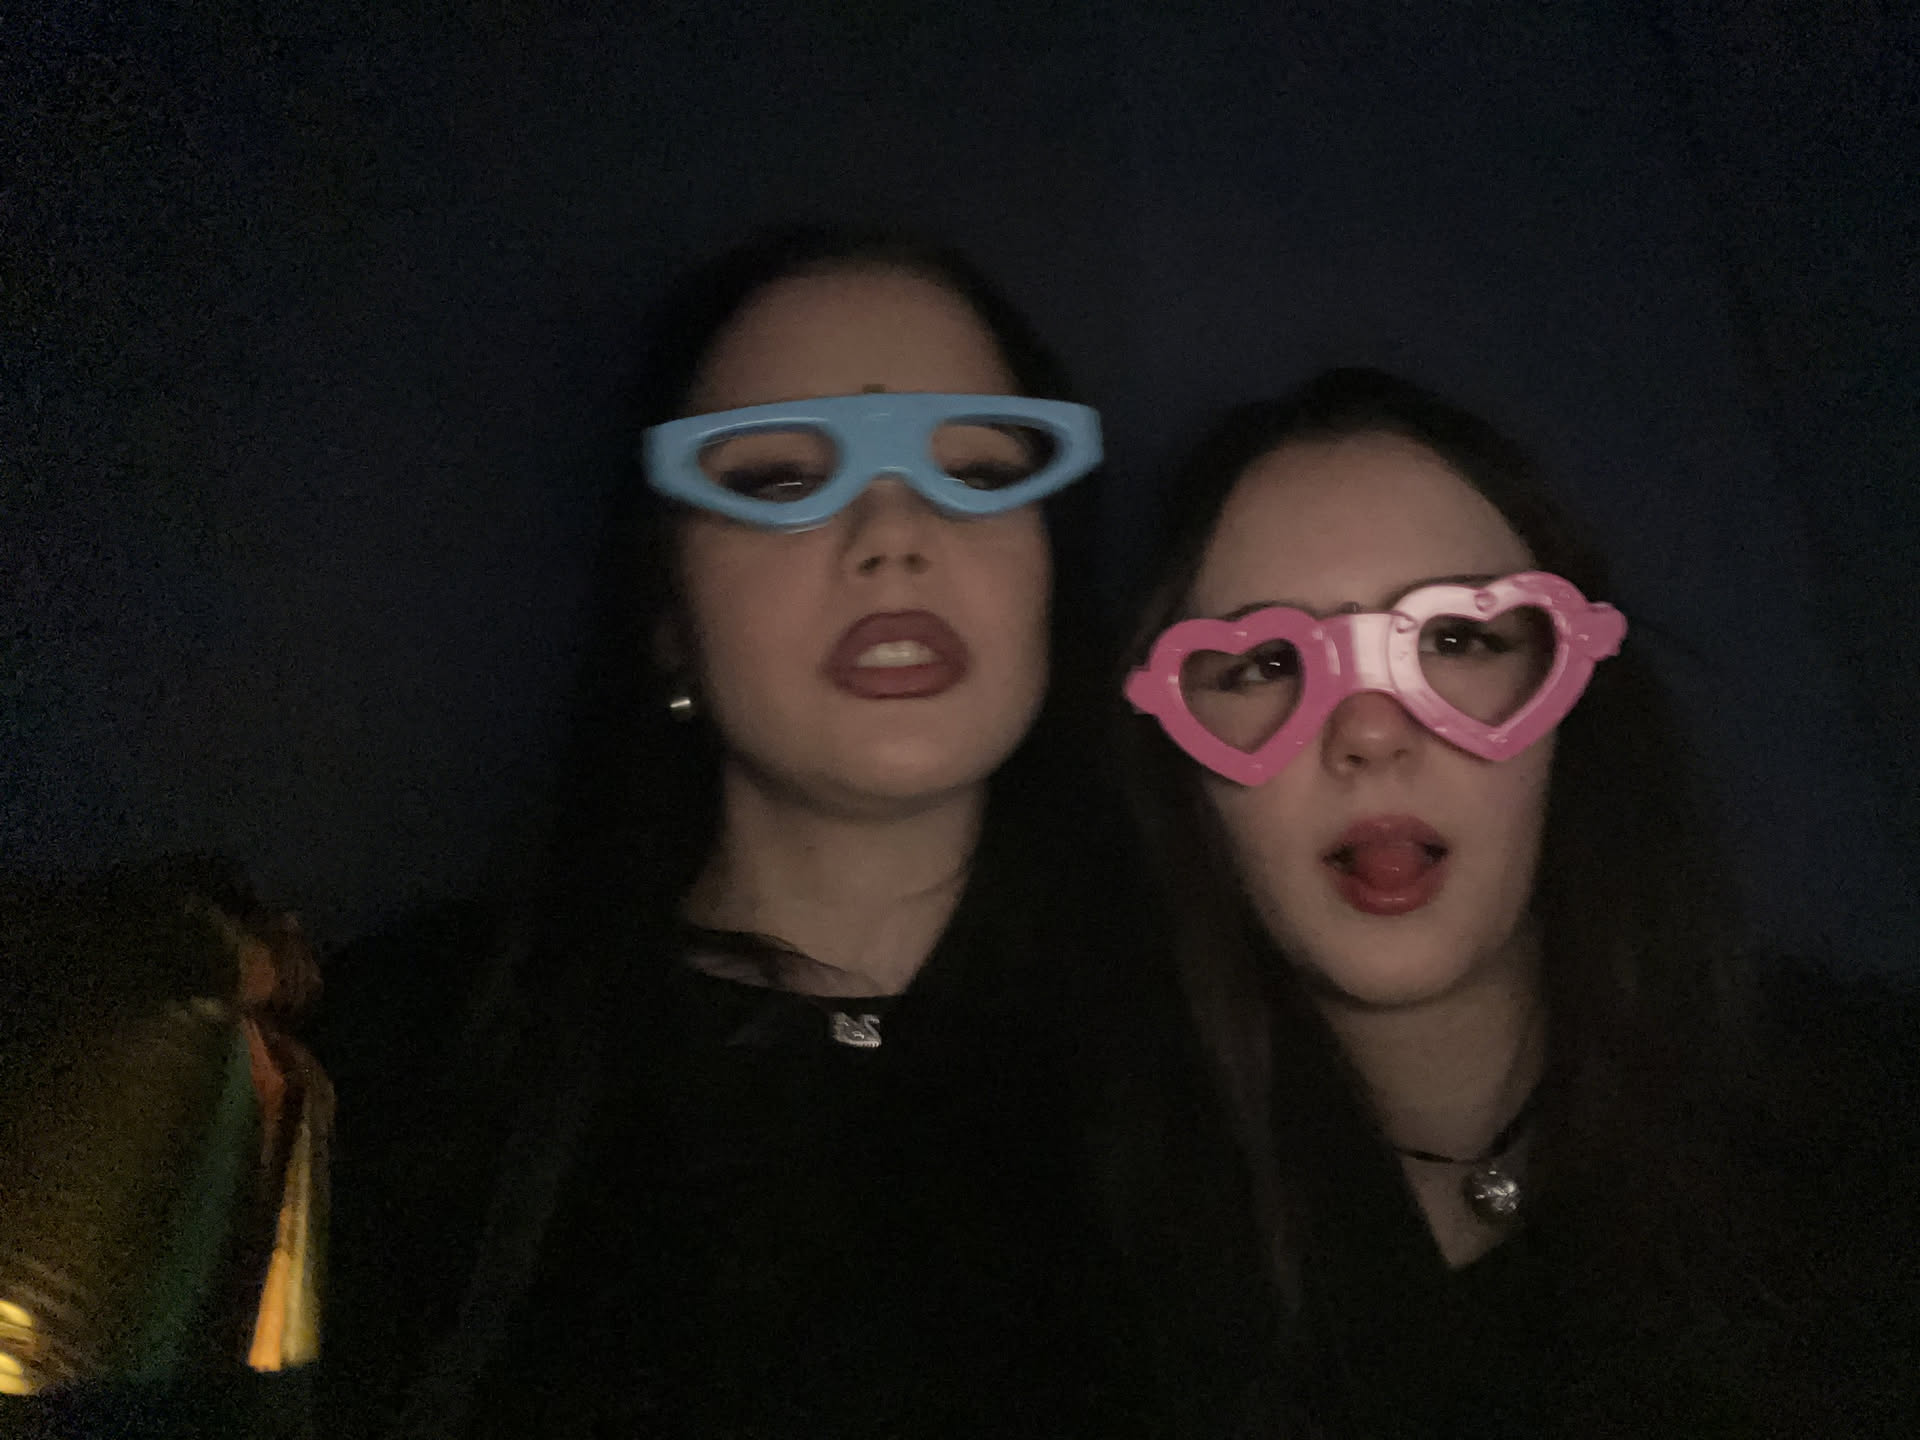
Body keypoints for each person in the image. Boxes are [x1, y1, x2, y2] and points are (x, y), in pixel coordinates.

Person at [318, 227, 1247, 1440]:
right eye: (774, 481)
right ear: (667, 612)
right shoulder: (394, 1064)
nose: (894, 533)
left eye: (977, 469)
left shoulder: (1232, 1058)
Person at [1120, 367, 1920, 1437]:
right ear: (1180, 768)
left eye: (1457, 639)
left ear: (1573, 709)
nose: (1370, 731)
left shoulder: (1874, 1129)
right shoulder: (1099, 1273)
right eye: (1266, 662)